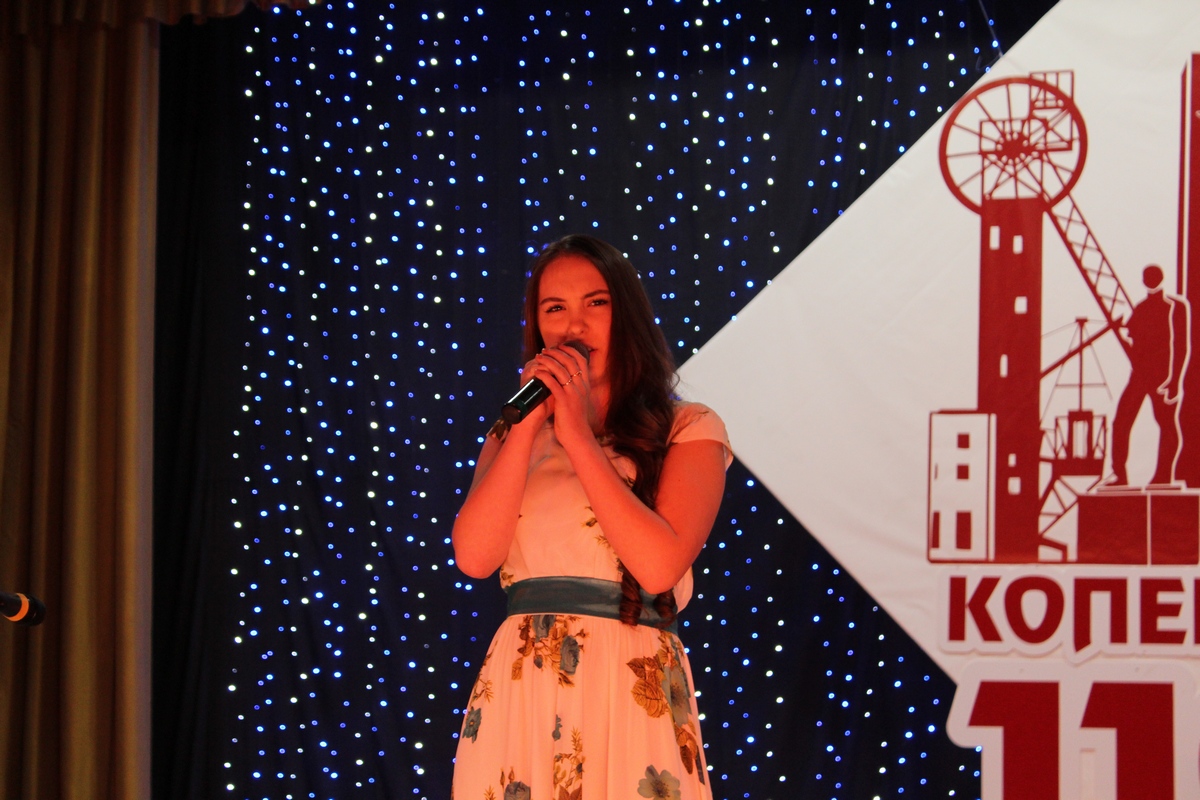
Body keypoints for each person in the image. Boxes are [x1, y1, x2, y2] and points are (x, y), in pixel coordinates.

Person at [450, 234, 731, 800]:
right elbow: (475, 558)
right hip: (523, 684)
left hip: (628, 678)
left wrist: (578, 433)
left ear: (626, 314)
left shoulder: (689, 428)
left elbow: (659, 567)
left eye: (595, 303)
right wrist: (529, 422)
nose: (573, 326)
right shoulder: (512, 433)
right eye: (555, 309)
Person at [1109, 264, 1189, 485]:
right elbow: (1135, 347)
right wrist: (1119, 334)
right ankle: (1120, 474)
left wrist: (1175, 380)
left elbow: (1181, 345)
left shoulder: (1175, 307)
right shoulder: (1141, 308)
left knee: (1166, 423)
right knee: (1121, 422)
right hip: (1140, 376)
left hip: (1162, 377)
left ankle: (1163, 475)